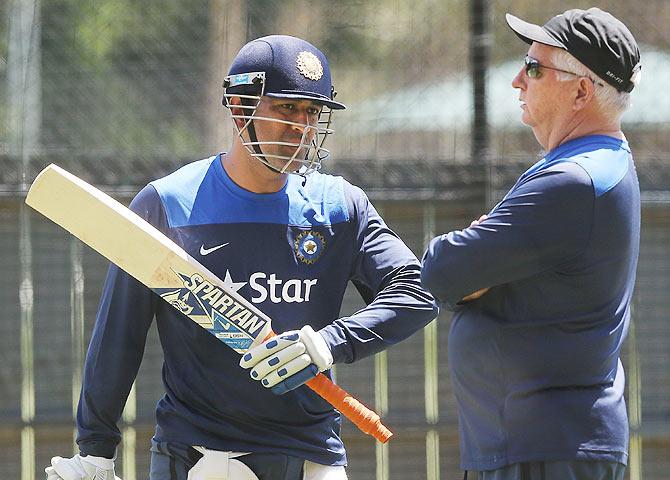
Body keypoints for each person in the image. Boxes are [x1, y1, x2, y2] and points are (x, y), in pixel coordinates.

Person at [45, 35, 437, 480]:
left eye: (312, 112)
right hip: (199, 454)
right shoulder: (170, 204)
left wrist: (329, 343)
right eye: (286, 108)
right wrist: (95, 450)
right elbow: (119, 335)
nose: (302, 127)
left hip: (314, 456)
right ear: (238, 106)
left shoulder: (339, 206)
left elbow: (418, 291)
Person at [421, 8, 641, 480]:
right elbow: (459, 275)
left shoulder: (574, 180)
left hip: (547, 451)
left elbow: (440, 270)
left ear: (582, 90)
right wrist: (473, 272)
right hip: (541, 445)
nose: (519, 79)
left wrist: (471, 268)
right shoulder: (584, 165)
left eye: (536, 68)